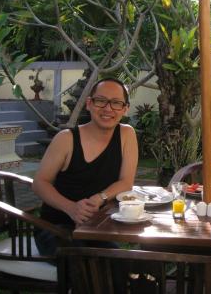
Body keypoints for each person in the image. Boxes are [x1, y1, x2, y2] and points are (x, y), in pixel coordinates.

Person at [33, 77, 138, 256]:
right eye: (101, 101)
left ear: (125, 109)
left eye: (116, 103)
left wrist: (99, 198)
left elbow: (126, 182)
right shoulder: (66, 139)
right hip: (56, 229)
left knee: (122, 263)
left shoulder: (126, 134)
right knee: (89, 264)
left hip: (95, 228)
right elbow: (40, 183)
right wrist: (71, 208)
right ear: (89, 103)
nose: (108, 109)